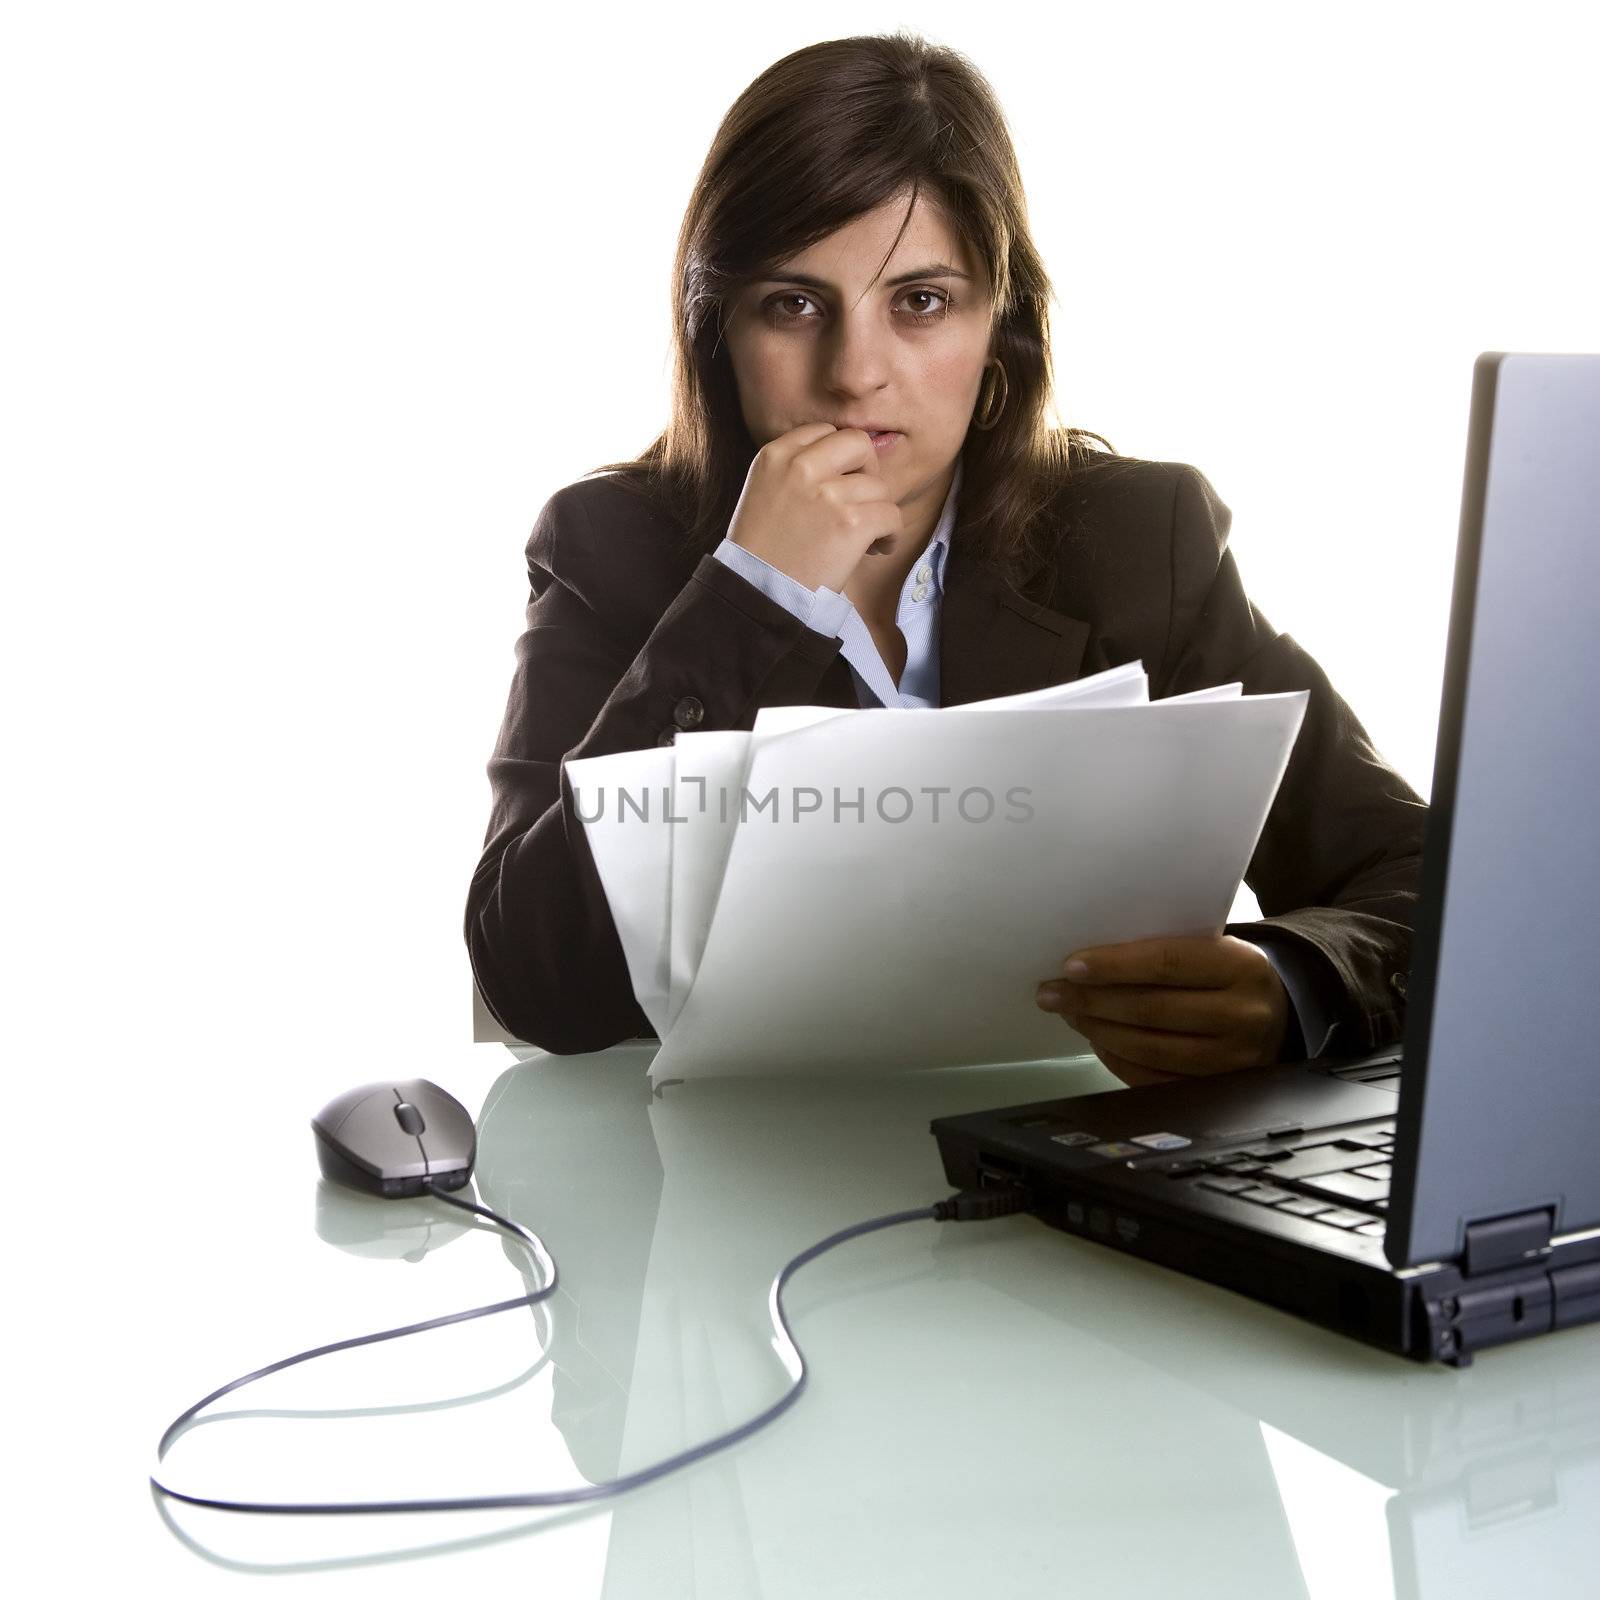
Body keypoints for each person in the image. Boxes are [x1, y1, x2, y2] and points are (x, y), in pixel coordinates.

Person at [464, 32, 1427, 1085]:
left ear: (998, 330)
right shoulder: (612, 551)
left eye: (919, 302)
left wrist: (1292, 982)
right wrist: (749, 598)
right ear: (718, 333)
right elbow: (532, 977)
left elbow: (1425, 873)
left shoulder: (1134, 541)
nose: (855, 375)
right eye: (792, 304)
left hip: (1058, 1162)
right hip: (712, 1175)